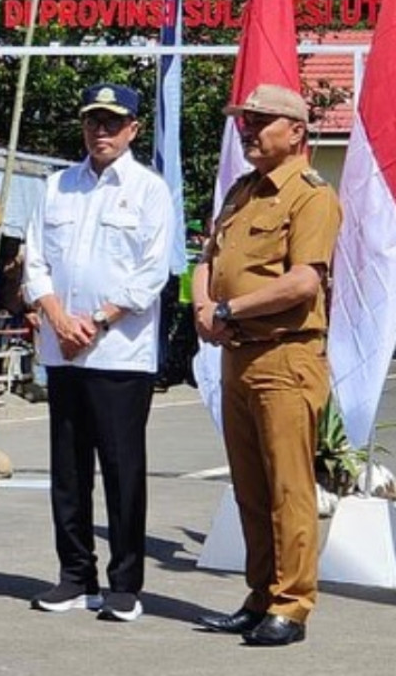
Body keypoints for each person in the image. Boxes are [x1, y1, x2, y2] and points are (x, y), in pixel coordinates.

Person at [192, 84, 341, 647]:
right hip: (238, 356)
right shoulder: (241, 191)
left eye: (260, 121)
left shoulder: (310, 196)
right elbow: (208, 256)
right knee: (249, 487)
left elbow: (304, 280)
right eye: (244, 121)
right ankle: (260, 596)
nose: (247, 130)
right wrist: (204, 305)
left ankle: (292, 603)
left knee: (288, 488)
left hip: (285, 355)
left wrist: (229, 308)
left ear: (296, 132)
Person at [21, 83, 174, 622]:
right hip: (63, 349)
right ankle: (74, 574)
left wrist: (100, 319)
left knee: (121, 469)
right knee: (69, 470)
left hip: (119, 354)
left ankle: (125, 583)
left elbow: (153, 271)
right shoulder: (57, 186)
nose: (101, 131)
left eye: (113, 122)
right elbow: (33, 257)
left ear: (133, 128)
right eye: (93, 121)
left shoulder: (149, 189)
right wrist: (57, 315)